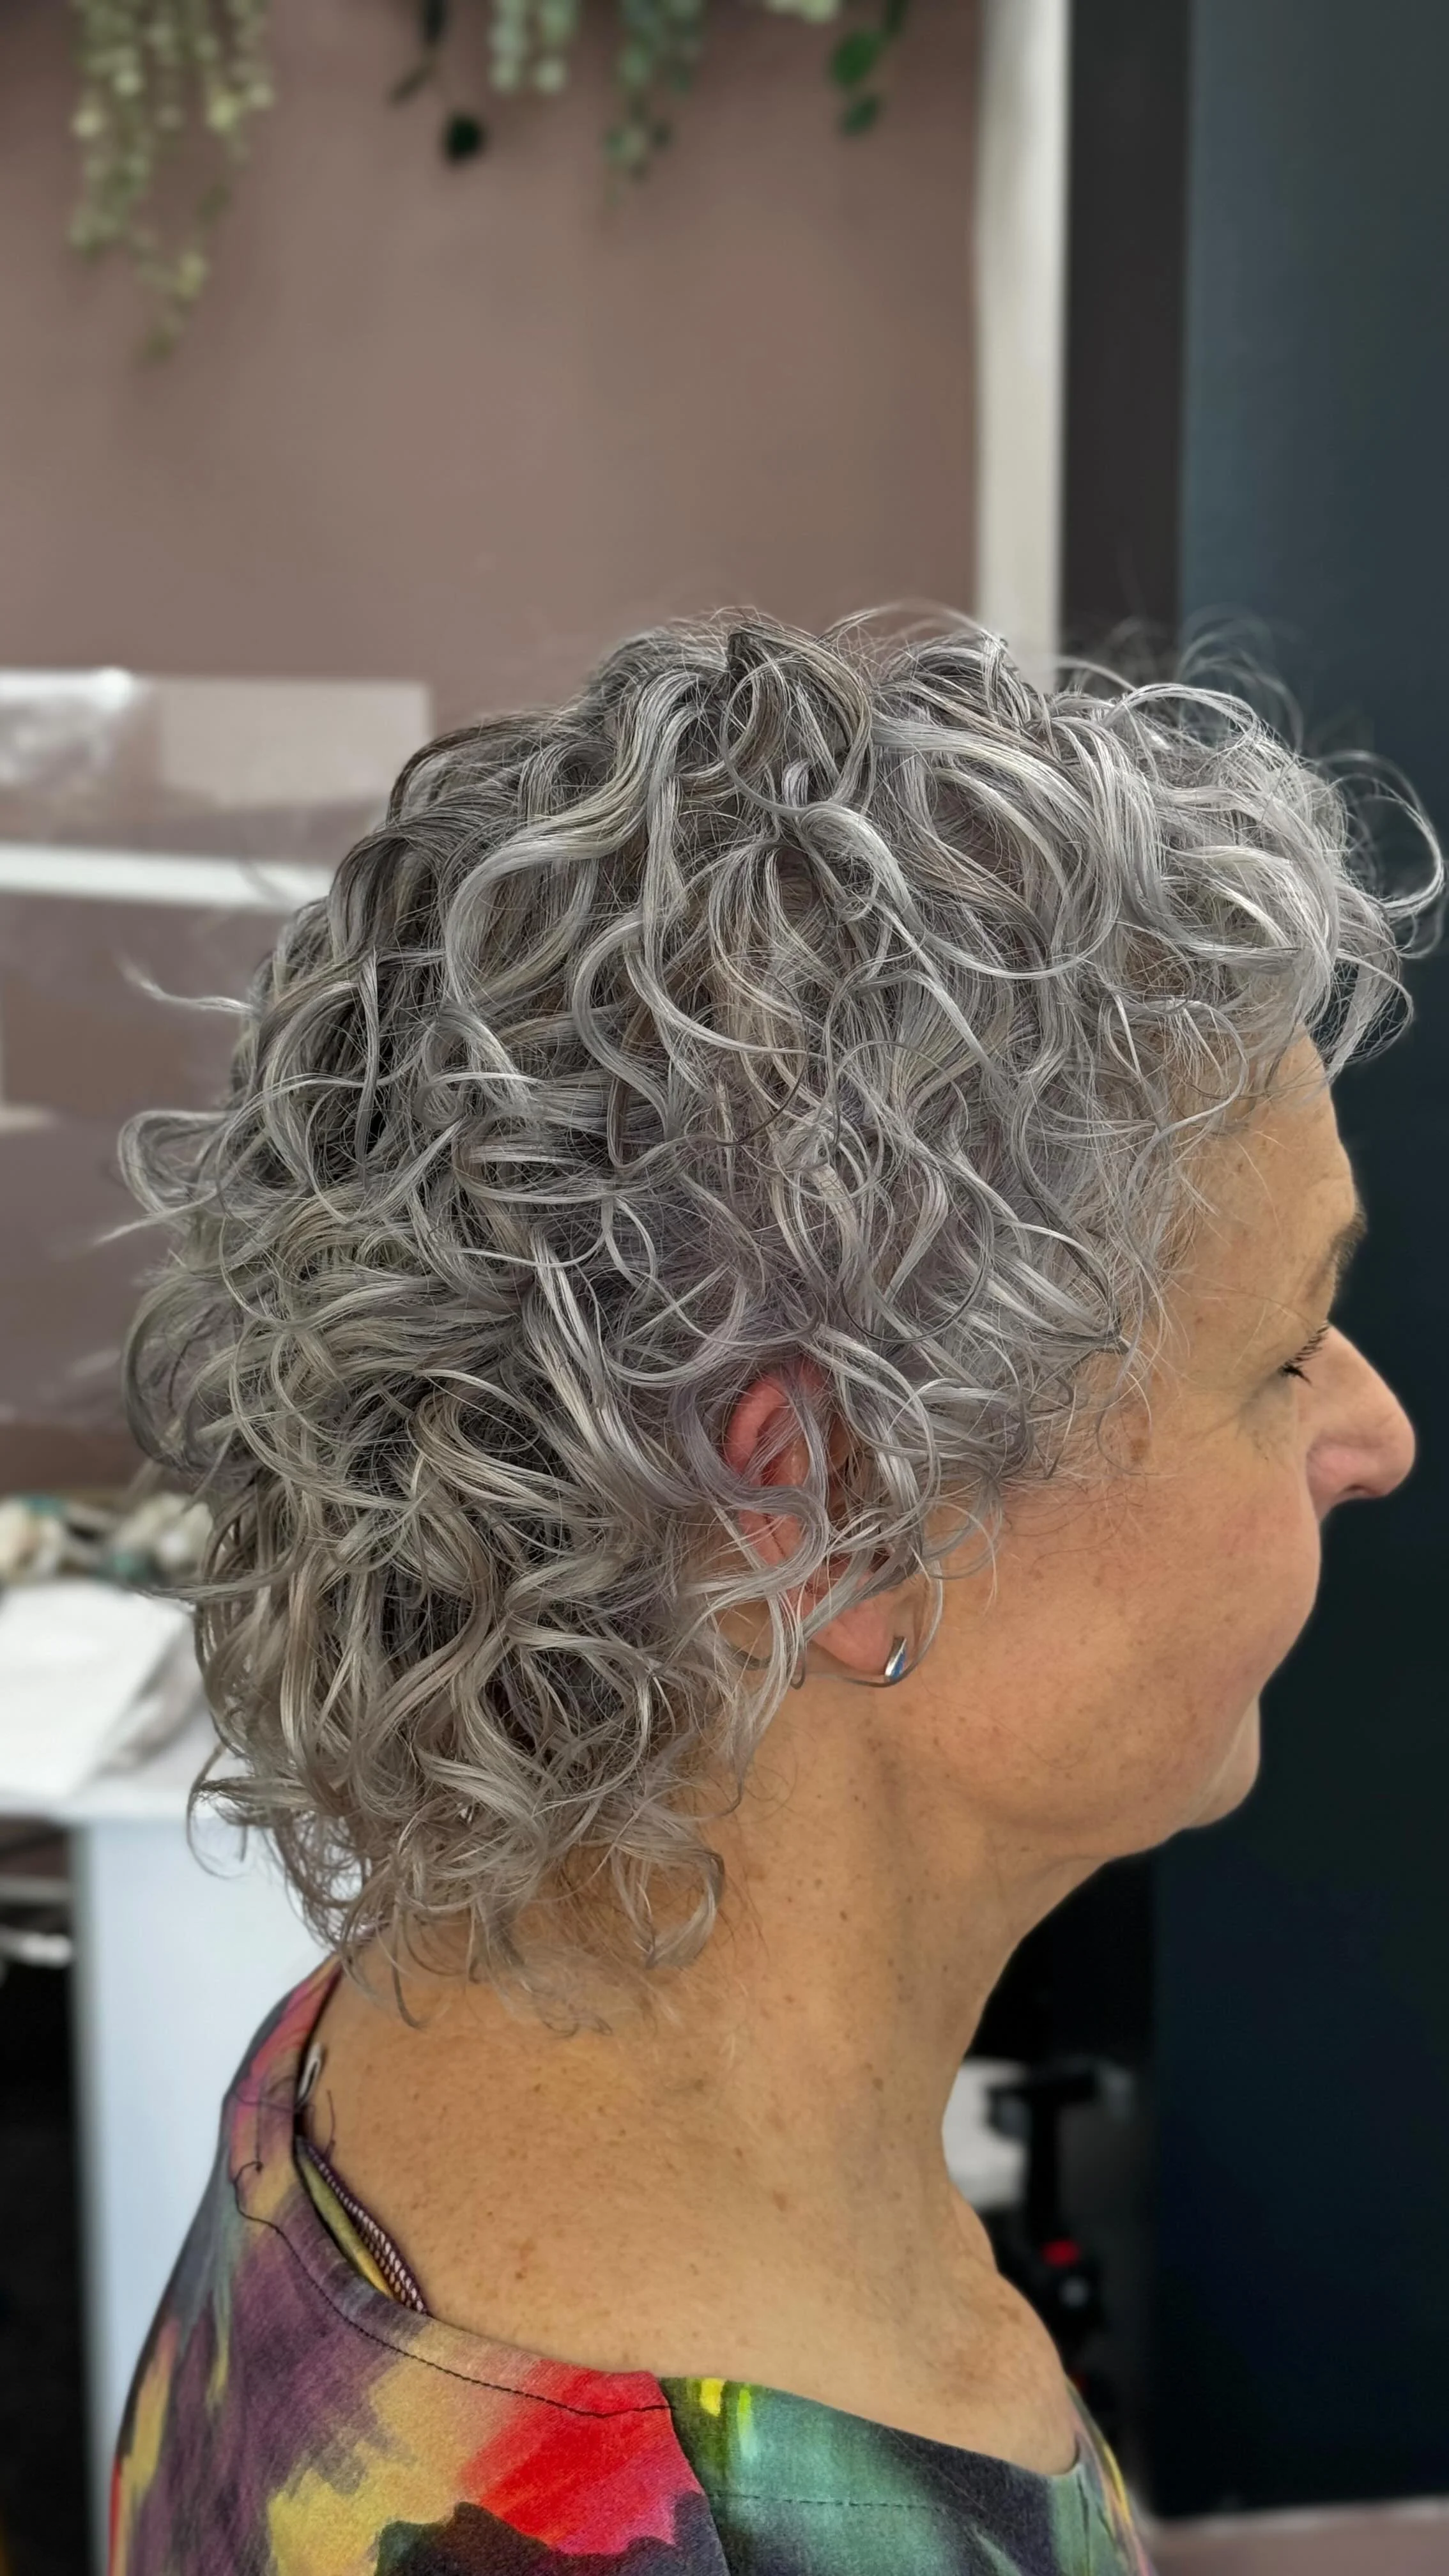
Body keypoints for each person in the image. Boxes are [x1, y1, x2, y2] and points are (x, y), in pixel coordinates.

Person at [111, 616, 1438, 2575]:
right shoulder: (777, 2528)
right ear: (840, 1511)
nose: (1375, 1433)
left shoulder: (375, 2054)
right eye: (1284, 1348)